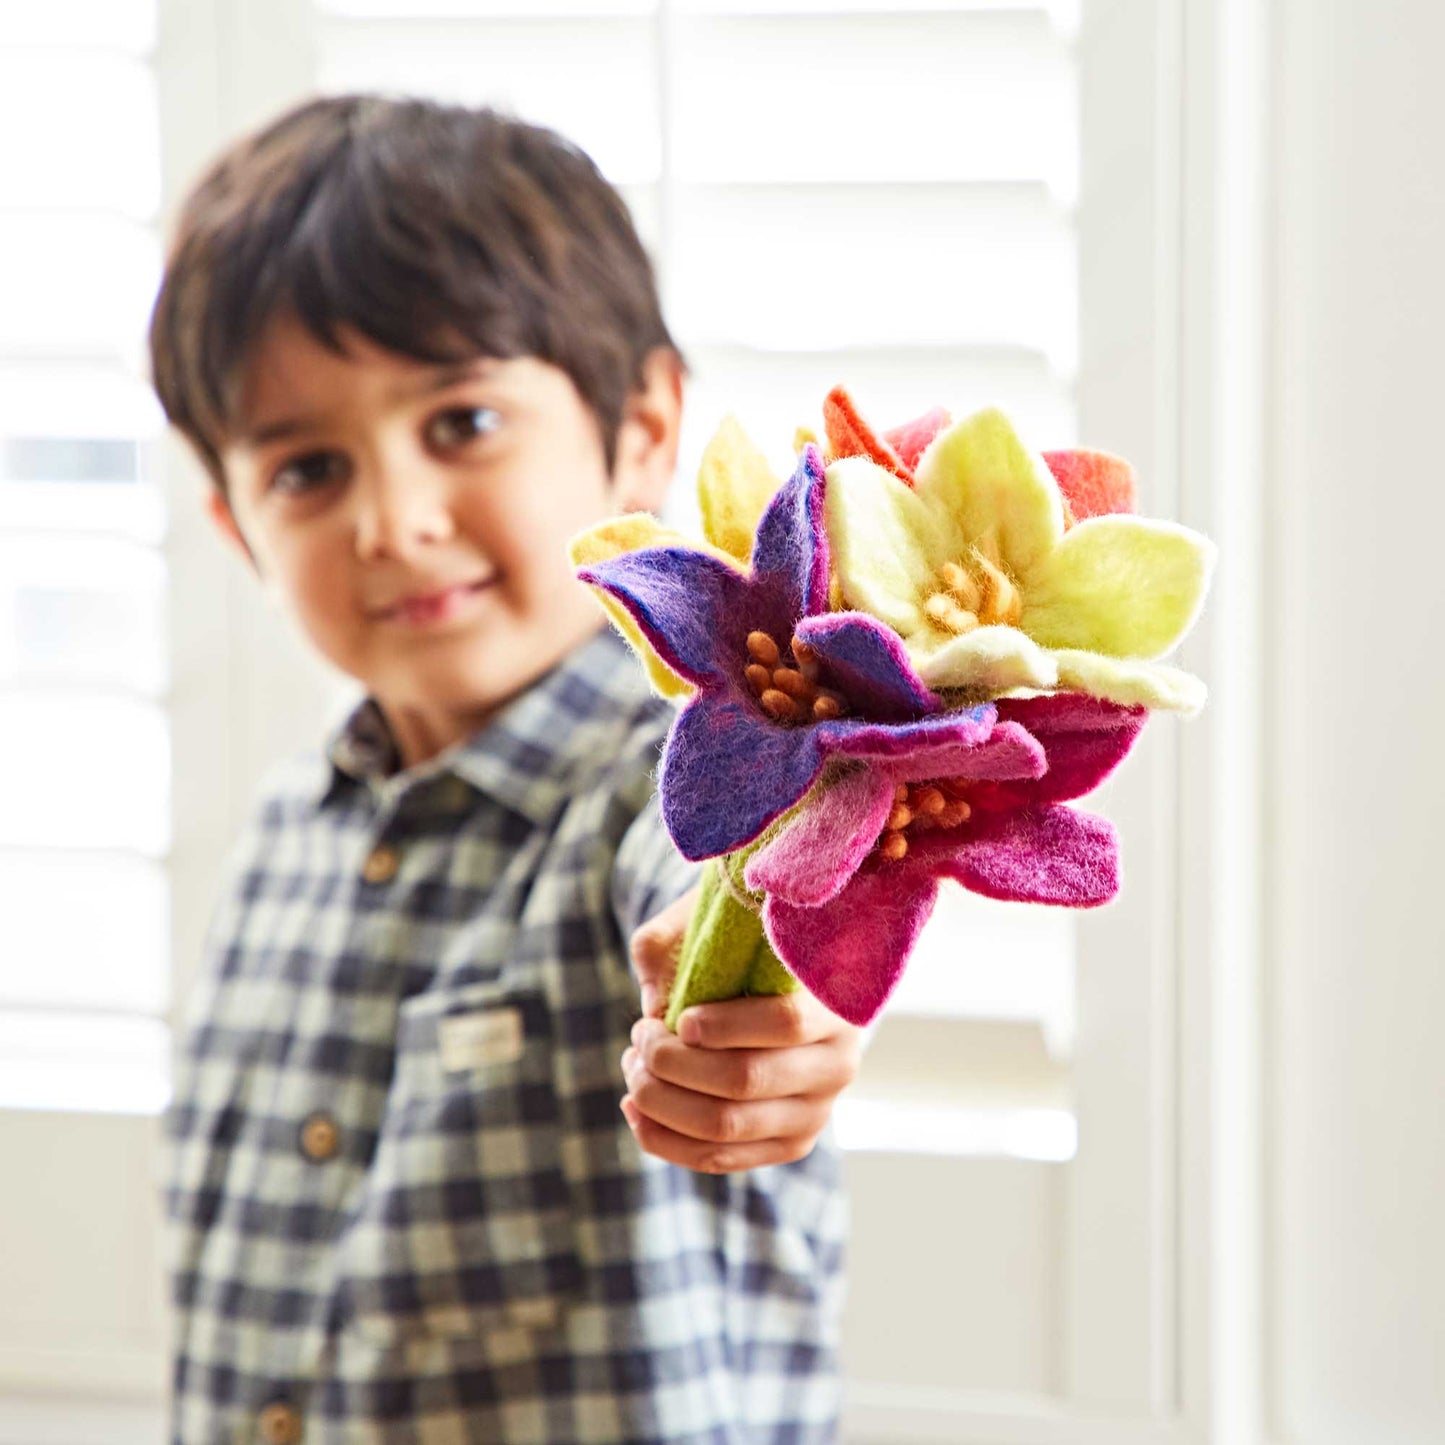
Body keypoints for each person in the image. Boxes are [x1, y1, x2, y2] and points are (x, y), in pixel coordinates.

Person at [149, 94, 860, 1443]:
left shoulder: (684, 776)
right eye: (305, 467)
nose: (393, 520)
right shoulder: (285, 827)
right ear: (233, 522)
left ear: (642, 422)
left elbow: (762, 896)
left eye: (461, 423)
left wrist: (780, 1019)